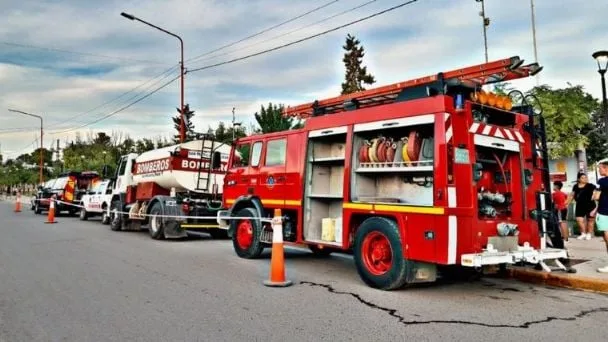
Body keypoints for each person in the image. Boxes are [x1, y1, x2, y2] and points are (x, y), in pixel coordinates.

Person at [566, 172, 596, 240]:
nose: (585, 179)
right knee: (579, 220)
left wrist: (594, 197)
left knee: (590, 220)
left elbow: (595, 193)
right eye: (583, 178)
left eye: (585, 177)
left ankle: (589, 234)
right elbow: (572, 195)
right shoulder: (575, 186)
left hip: (590, 205)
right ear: (579, 179)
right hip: (579, 205)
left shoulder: (591, 185)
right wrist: (567, 203)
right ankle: (583, 233)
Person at [593, 159, 608, 273]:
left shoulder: (602, 181)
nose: (599, 170)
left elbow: (596, 197)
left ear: (606, 168)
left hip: (604, 212)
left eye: (600, 168)